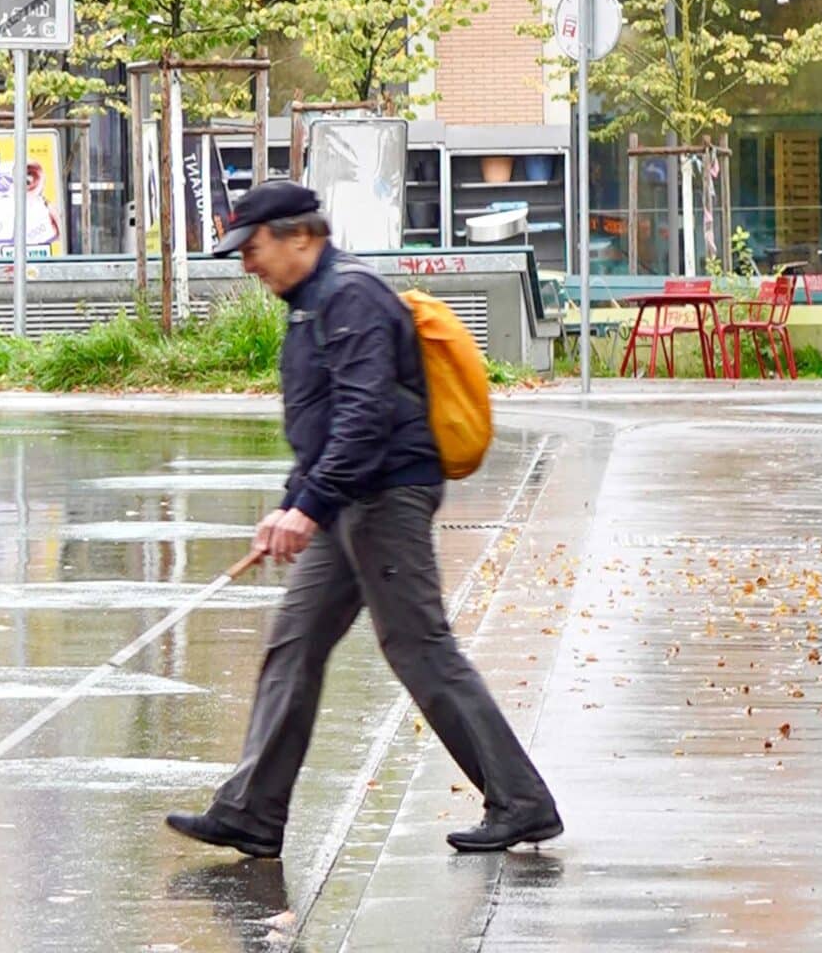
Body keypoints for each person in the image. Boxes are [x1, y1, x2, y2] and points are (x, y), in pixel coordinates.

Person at [164, 181, 561, 858]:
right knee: (295, 642)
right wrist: (293, 502)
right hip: (349, 497)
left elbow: (365, 414)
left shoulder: (349, 296)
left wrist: (307, 506)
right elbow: (320, 424)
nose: (248, 264)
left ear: (301, 237)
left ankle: (521, 802)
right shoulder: (310, 304)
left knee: (419, 647)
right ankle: (252, 813)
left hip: (386, 496)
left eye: (253, 248)